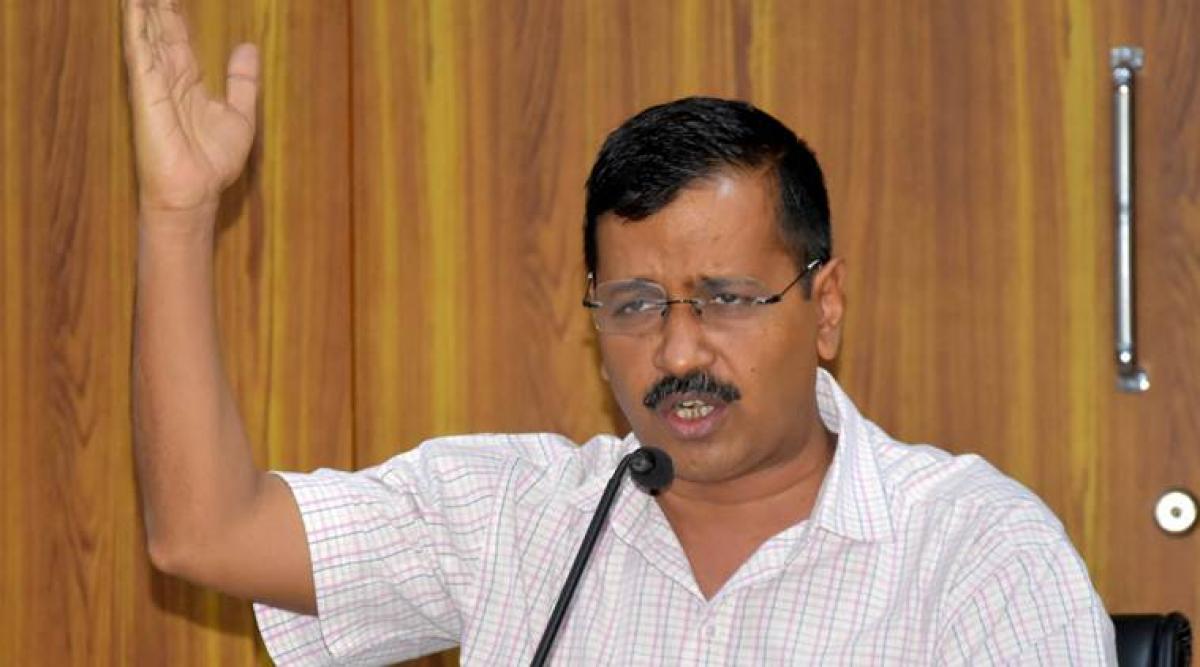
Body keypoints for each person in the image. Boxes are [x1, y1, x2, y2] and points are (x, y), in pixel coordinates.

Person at [123, 1, 1116, 664]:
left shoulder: (973, 550)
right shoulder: (519, 519)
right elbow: (208, 531)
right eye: (637, 306)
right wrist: (177, 216)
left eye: (726, 298)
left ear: (826, 306)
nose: (678, 354)